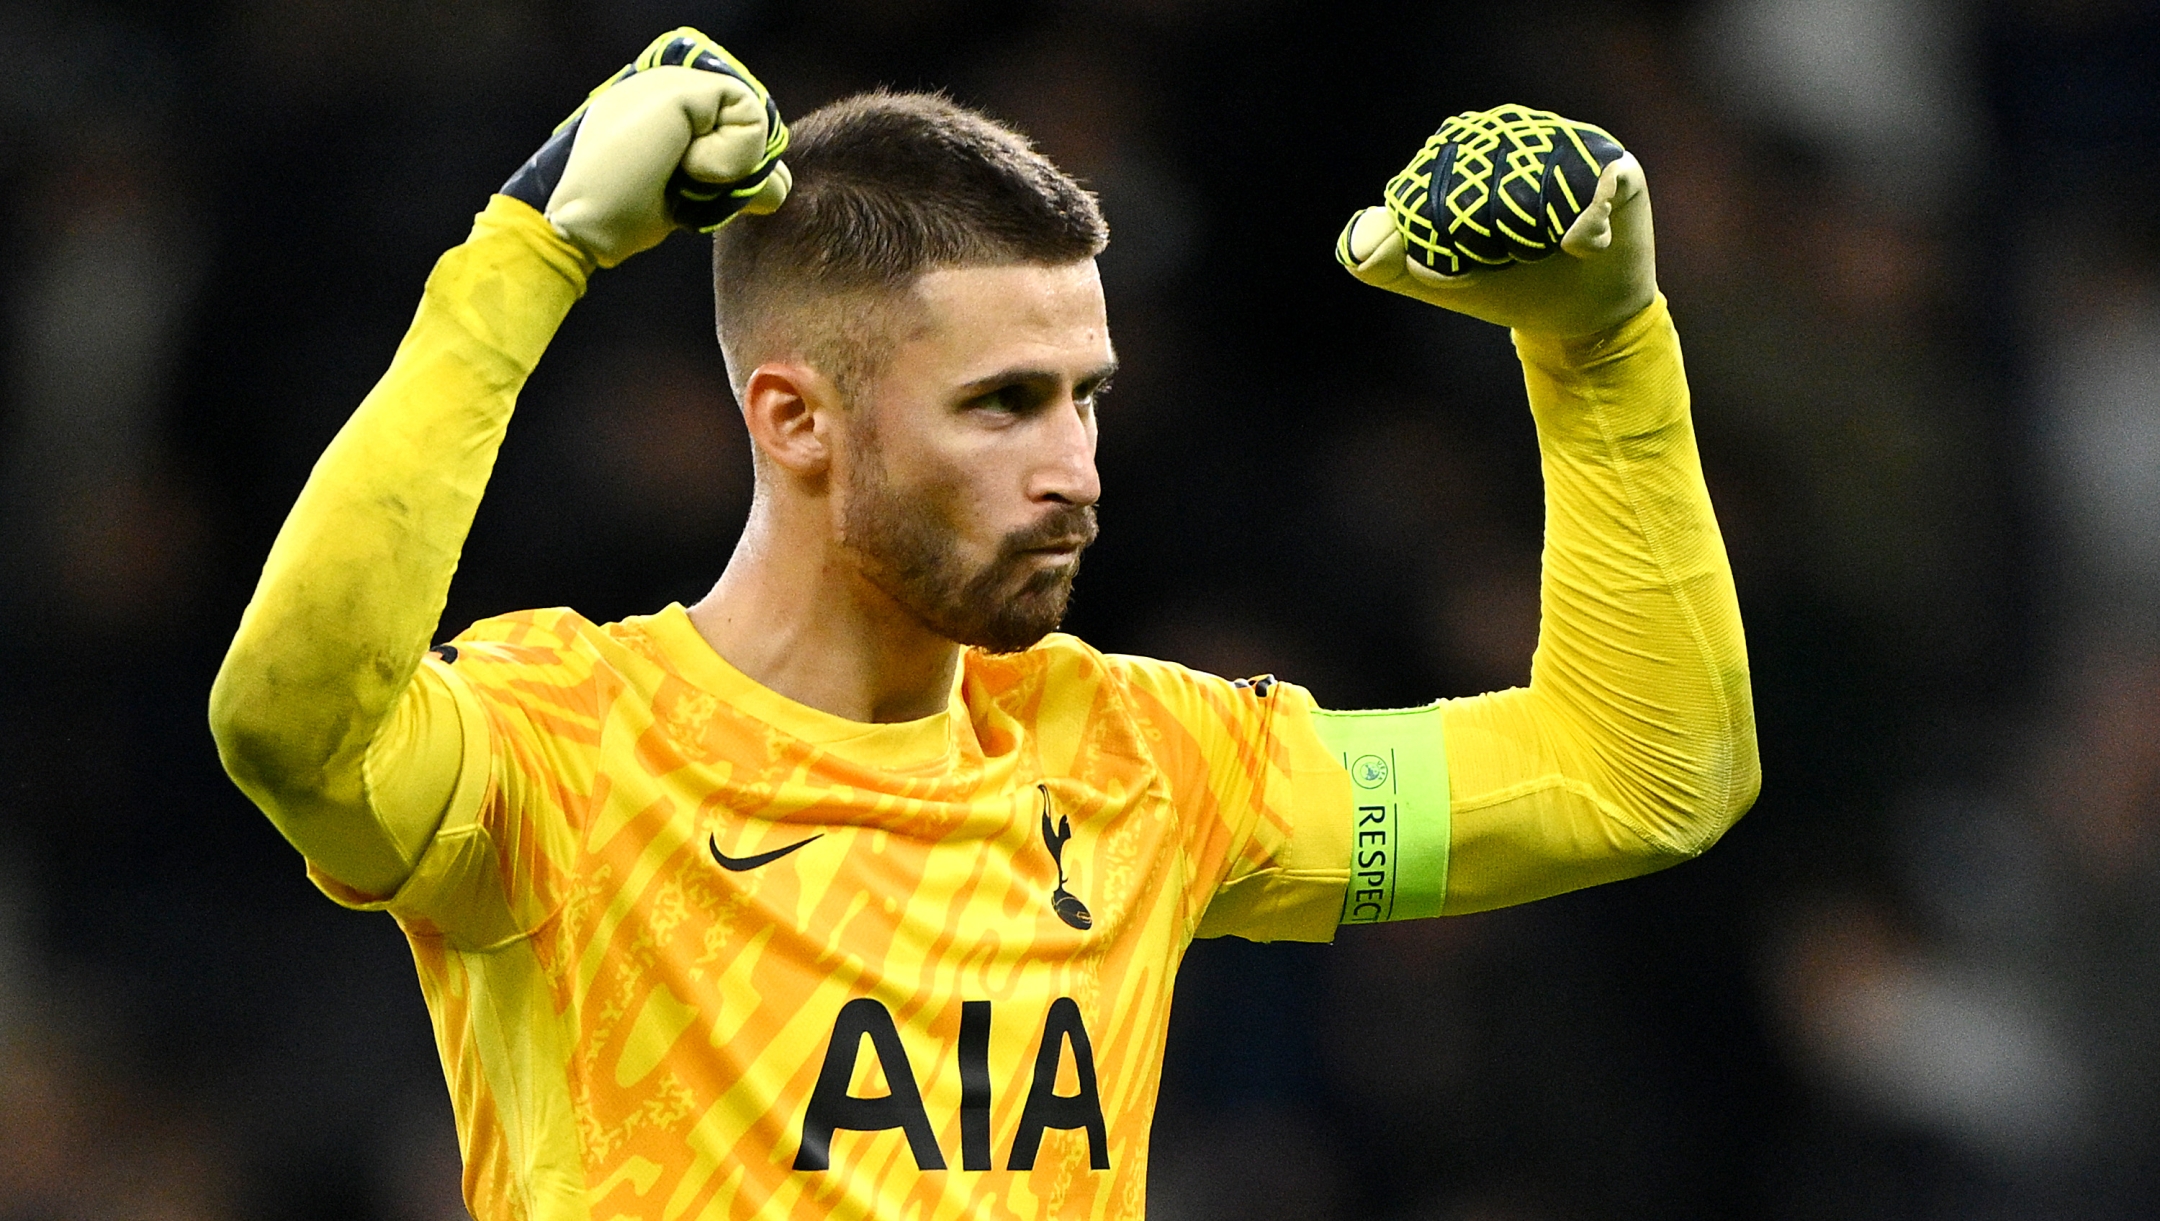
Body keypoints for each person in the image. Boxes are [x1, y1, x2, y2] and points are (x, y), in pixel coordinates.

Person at [208, 28, 1758, 1221]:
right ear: (796, 419)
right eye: (1003, 404)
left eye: (1086, 397)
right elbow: (292, 721)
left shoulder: (1148, 767)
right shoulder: (565, 753)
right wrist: (530, 253)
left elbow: (1645, 771)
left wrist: (1600, 341)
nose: (1077, 471)